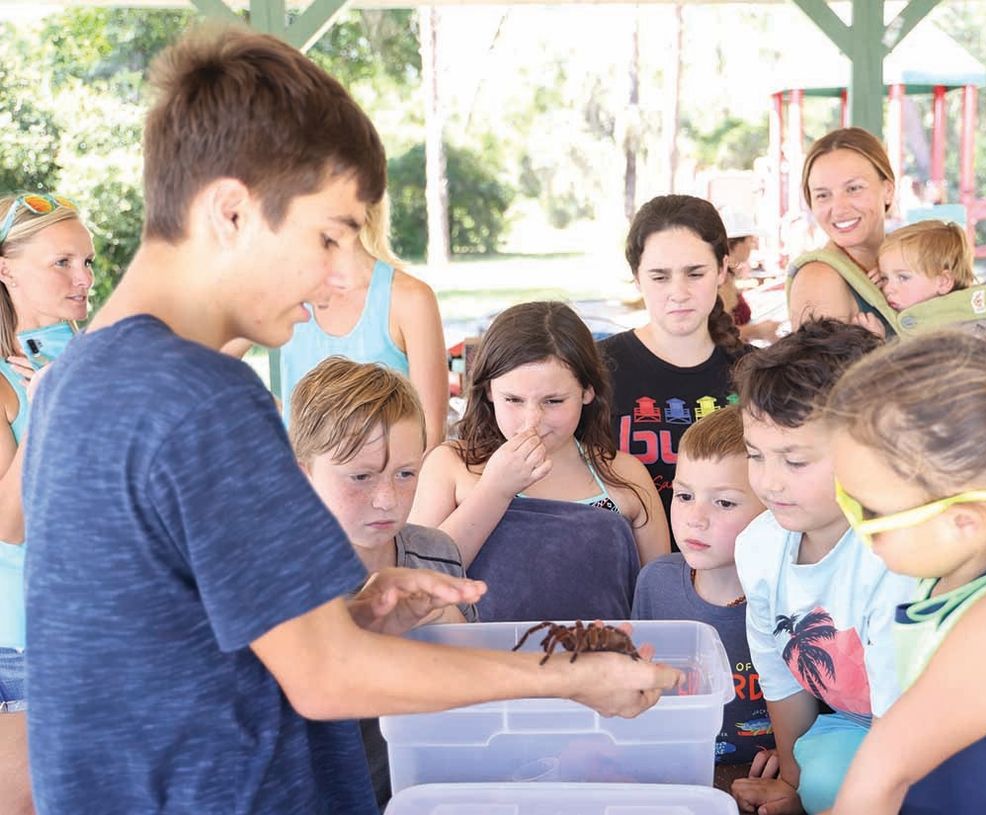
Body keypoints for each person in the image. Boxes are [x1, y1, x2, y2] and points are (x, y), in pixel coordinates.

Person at [20, 28, 681, 815]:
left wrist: (357, 614)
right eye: (330, 235)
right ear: (230, 210)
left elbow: (171, 637)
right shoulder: (202, 395)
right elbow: (326, 674)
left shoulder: (78, 377)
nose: (341, 275)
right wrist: (570, 678)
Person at [824, 331, 986, 814]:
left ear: (966, 519)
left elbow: (880, 776)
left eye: (870, 512)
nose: (855, 526)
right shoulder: (958, 566)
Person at [729, 320, 916, 815]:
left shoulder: (895, 559)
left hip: (931, 734)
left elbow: (904, 733)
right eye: (756, 455)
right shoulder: (759, 546)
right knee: (820, 775)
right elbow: (776, 667)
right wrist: (791, 780)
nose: (769, 483)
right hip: (856, 724)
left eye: (795, 461)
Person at [289, 356, 476, 811]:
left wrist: (452, 626)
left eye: (406, 474)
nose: (386, 499)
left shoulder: (437, 555)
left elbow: (473, 705)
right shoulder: (280, 577)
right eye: (360, 476)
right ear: (301, 471)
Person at [411, 301, 668, 590]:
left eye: (553, 401)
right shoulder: (451, 466)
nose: (532, 421)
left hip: (599, 636)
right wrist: (494, 490)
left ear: (587, 392)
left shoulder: (624, 475)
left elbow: (658, 595)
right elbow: (418, 581)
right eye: (513, 400)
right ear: (489, 392)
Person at [0, 191, 93, 815]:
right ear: (5, 269)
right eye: (63, 263)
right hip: (28, 640)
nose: (84, 280)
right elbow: (9, 527)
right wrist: (46, 418)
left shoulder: (92, 358)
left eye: (88, 263)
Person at [226, 195, 449, 449]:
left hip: (384, 483)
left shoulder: (411, 299)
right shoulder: (286, 291)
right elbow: (211, 361)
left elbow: (431, 433)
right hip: (302, 483)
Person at [631, 405, 774, 789]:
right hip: (672, 775)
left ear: (775, 506)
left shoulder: (791, 596)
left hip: (765, 781)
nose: (695, 518)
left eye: (724, 502)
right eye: (684, 495)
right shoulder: (654, 582)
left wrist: (795, 756)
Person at [601, 195, 750, 549]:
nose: (678, 293)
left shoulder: (757, 374)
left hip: (734, 581)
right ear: (637, 277)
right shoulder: (596, 370)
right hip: (623, 578)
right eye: (660, 276)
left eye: (694, 273)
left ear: (722, 269)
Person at [867, 219, 986, 370]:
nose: (889, 288)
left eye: (903, 277)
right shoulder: (914, 323)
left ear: (943, 282)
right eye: (885, 278)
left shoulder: (974, 334)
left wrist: (879, 348)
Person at [787, 128, 899, 335]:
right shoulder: (819, 279)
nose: (839, 209)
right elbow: (819, 368)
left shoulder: (912, 259)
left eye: (854, 189)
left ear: (888, 191)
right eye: (823, 195)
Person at [718, 210, 780, 344]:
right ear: (735, 244)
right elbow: (719, 334)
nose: (752, 247)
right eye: (750, 241)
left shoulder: (726, 276)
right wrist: (758, 331)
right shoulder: (722, 281)